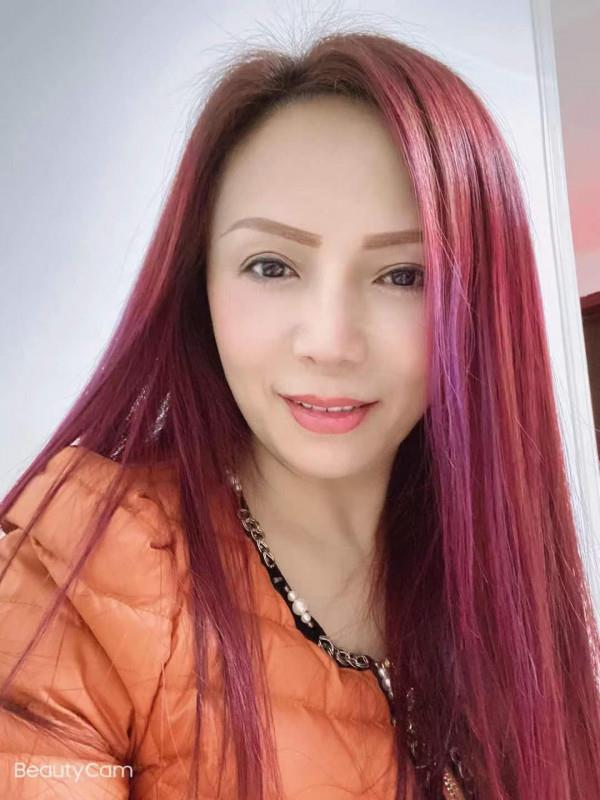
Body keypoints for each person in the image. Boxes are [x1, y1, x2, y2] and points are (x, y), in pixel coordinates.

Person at [1, 30, 599, 800]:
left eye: (404, 275)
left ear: (480, 310)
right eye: (272, 266)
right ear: (199, 284)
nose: (329, 342)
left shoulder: (503, 580)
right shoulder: (77, 577)